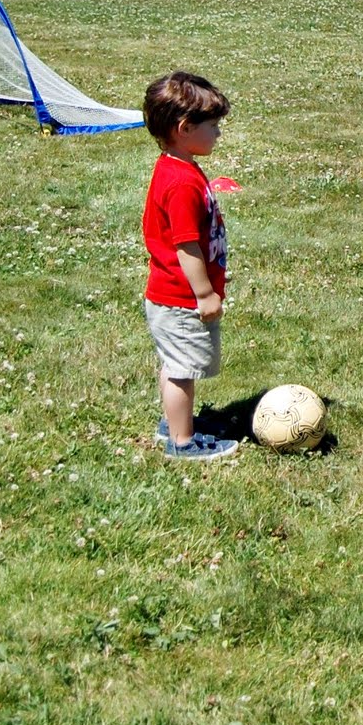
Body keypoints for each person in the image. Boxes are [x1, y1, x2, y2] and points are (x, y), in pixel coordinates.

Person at [140, 71, 238, 461]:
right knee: (182, 370)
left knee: (175, 363)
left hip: (171, 297)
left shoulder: (177, 166)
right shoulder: (180, 182)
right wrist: (204, 293)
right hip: (182, 299)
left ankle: (175, 422)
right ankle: (182, 442)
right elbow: (185, 246)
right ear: (184, 128)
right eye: (212, 126)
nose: (217, 133)